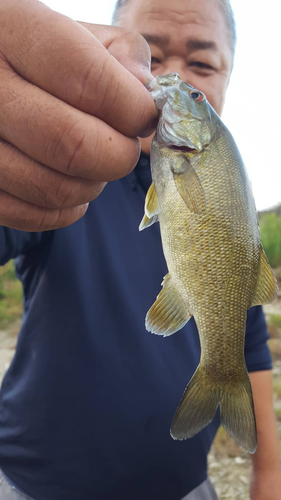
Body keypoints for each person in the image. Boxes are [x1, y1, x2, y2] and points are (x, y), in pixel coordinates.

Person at [0, 0, 280, 498]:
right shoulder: (59, 177)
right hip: (35, 483)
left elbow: (250, 345)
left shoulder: (233, 203)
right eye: (149, 56)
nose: (170, 75)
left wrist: (270, 475)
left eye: (200, 67)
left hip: (187, 488)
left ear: (227, 80)